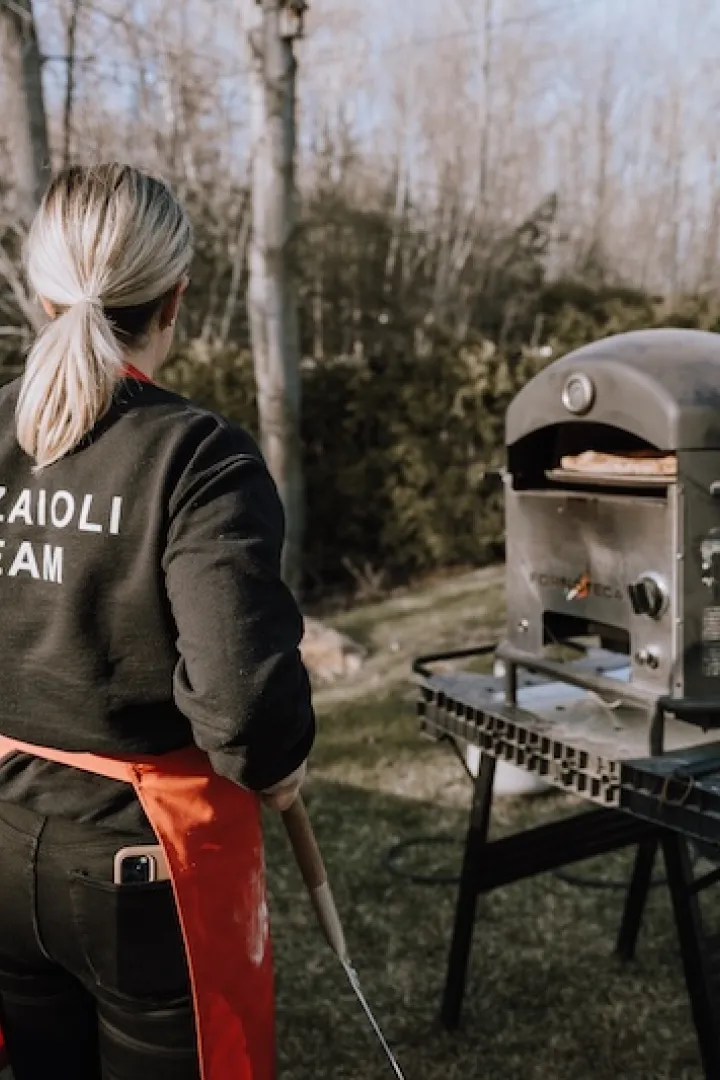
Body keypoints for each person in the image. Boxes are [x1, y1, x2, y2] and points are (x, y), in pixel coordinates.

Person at [0, 163, 315, 1080]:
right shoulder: (199, 455)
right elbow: (248, 711)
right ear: (175, 298)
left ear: (42, 292)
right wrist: (280, 761)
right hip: (141, 872)